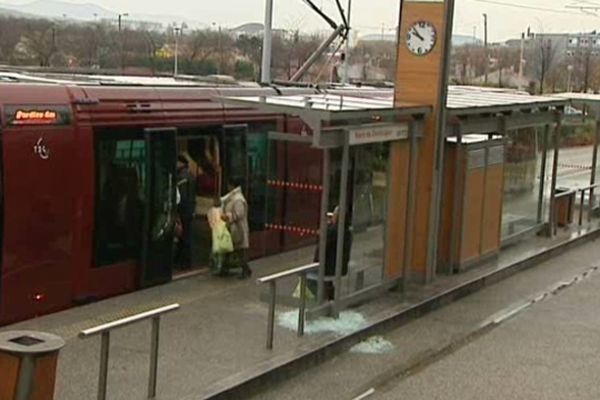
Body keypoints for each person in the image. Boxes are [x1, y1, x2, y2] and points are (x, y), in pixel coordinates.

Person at [311, 206, 352, 300]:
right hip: (339, 265)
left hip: (330, 266)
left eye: (334, 214)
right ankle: (328, 293)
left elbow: (322, 243)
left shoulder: (334, 231)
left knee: (308, 273)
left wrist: (327, 226)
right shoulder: (346, 231)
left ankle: (320, 297)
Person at [221, 178, 251, 279]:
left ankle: (245, 270)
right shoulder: (232, 197)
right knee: (230, 249)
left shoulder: (238, 199)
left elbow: (239, 214)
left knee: (239, 251)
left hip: (238, 229)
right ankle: (225, 269)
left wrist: (227, 216)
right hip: (232, 228)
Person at [175, 154, 196, 270]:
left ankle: (185, 262)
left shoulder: (182, 177)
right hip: (189, 210)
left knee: (184, 237)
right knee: (185, 236)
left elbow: (182, 197)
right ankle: (183, 260)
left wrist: (177, 211)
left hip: (184, 211)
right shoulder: (189, 174)